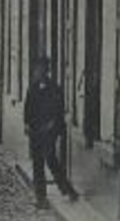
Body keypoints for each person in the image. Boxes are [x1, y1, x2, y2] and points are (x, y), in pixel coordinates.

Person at [24, 55, 79, 210]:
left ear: (46, 70)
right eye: (37, 69)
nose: (38, 71)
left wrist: (51, 125)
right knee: (37, 163)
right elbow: (28, 108)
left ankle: (67, 189)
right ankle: (41, 197)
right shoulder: (33, 87)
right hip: (36, 130)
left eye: (41, 69)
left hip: (49, 130)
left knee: (50, 159)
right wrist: (27, 124)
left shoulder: (54, 88)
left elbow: (58, 110)